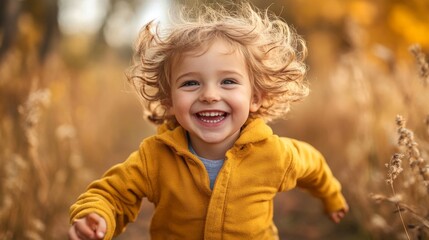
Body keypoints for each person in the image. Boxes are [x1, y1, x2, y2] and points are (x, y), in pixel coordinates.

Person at [68, 2, 349, 239]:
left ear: (255, 97)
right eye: (191, 83)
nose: (210, 95)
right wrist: (96, 214)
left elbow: (312, 165)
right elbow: (114, 192)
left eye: (228, 81)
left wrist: (331, 195)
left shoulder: (275, 155)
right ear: (169, 100)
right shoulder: (155, 158)